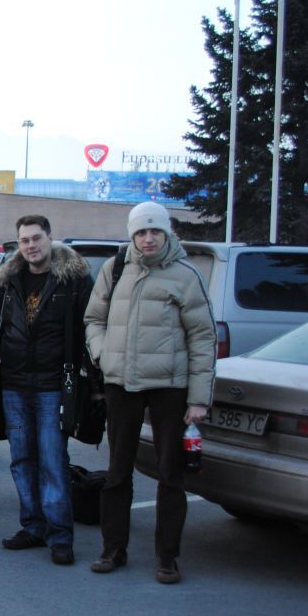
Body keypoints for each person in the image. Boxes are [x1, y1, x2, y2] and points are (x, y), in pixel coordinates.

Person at [84, 202, 215, 584]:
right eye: (141, 232)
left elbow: (203, 337)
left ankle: (167, 557)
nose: (148, 238)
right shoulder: (115, 268)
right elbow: (93, 319)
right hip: (122, 384)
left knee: (170, 475)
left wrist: (198, 399)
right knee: (117, 473)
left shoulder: (185, 275)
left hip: (169, 388)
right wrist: (103, 354)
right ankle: (113, 549)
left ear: (167, 233)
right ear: (132, 235)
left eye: (155, 231)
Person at [0, 216, 94, 566]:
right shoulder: (8, 281)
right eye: (24, 240)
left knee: (52, 460)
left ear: (50, 238)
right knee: (21, 459)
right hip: (14, 385)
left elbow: (88, 330)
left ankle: (60, 535)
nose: (31, 246)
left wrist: (90, 381)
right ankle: (32, 526)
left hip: (53, 386)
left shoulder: (74, 280)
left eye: (36, 238)